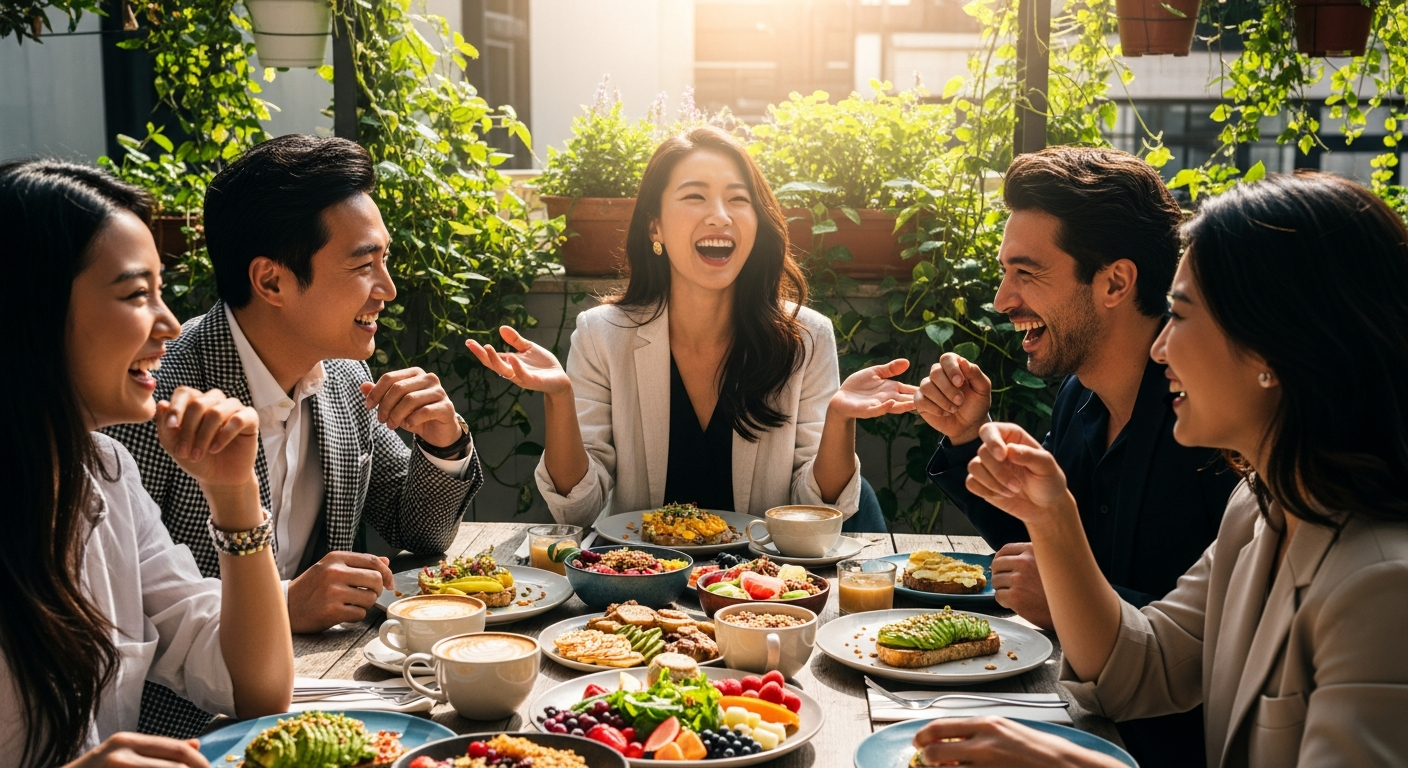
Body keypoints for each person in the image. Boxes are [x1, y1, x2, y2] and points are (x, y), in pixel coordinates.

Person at [911, 172, 1408, 767]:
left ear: (1274, 348)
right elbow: (1140, 663)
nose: (1159, 347)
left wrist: (1074, 764)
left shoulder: (1382, 586)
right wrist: (1052, 516)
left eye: (1181, 315)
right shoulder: (1260, 508)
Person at [105, 134, 483, 736]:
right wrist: (286, 599)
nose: (386, 288)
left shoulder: (340, 375)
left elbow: (419, 529)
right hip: (185, 728)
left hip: (324, 691)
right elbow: (133, 613)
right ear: (272, 282)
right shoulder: (156, 402)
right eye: (364, 265)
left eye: (384, 260)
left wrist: (443, 443)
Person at [915, 147, 1238, 766]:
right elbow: (1047, 554)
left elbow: (1222, 642)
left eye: (1027, 273)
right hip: (1073, 713)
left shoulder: (1220, 433)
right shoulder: (1077, 399)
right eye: (1005, 272)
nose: (1004, 300)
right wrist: (967, 437)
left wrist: (1065, 594)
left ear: (1115, 282)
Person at [467, 127, 914, 529]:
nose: (720, 215)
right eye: (695, 196)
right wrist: (559, 397)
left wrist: (840, 419)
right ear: (654, 225)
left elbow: (812, 509)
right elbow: (577, 510)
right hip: (643, 581)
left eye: (739, 199)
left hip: (762, 590)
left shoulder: (807, 337)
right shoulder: (600, 335)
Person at [0, 160, 294, 768]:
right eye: (137, 295)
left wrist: (235, 493)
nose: (169, 325)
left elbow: (257, 688)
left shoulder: (103, 471)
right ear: (32, 310)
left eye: (163, 292)